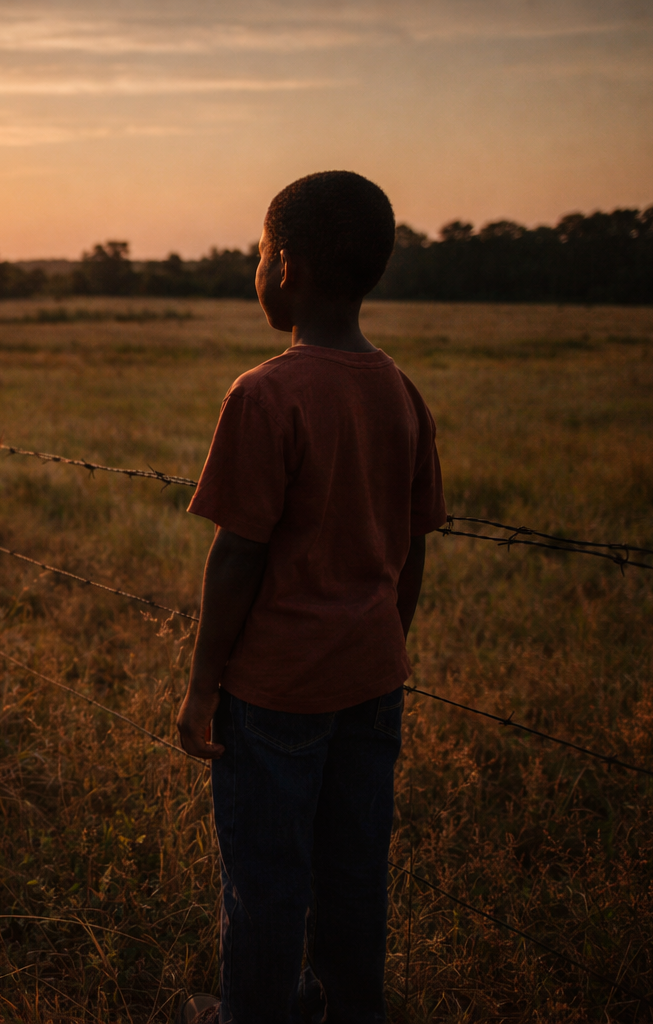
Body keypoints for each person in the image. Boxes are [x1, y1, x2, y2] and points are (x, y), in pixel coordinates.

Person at [175, 171, 445, 1024]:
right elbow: (412, 549)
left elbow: (237, 555)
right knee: (355, 870)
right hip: (372, 681)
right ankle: (346, 1009)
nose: (257, 271)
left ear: (283, 266)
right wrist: (384, 643)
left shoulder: (265, 394)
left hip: (274, 693)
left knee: (266, 882)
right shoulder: (402, 393)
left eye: (259, 254)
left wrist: (202, 685)